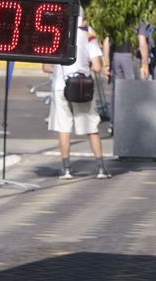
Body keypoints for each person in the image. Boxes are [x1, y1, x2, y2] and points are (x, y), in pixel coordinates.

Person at [44, 19, 111, 180]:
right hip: (83, 87)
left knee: (64, 128)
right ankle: (101, 168)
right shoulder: (88, 35)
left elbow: (46, 67)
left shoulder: (55, 34)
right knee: (91, 127)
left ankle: (66, 169)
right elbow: (97, 67)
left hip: (61, 86)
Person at [103, 28, 149, 127]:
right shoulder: (137, 19)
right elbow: (142, 42)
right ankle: (130, 121)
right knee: (131, 90)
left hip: (116, 56)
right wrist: (145, 64)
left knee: (117, 91)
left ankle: (114, 122)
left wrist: (106, 64)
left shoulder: (113, 18)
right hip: (130, 56)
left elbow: (107, 41)